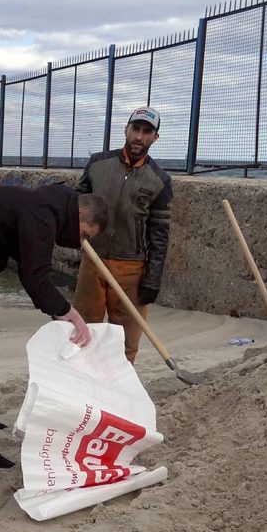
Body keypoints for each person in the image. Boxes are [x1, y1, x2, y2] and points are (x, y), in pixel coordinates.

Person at [0, 184, 108, 469]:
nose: (80, 242)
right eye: (85, 233)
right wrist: (68, 313)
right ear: (81, 211)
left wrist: (59, 314)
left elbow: (31, 267)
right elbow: (34, 276)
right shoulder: (42, 213)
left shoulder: (47, 206)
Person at [72, 105, 173, 363]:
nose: (139, 136)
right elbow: (73, 207)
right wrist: (76, 241)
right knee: (83, 332)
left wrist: (153, 279)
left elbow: (159, 235)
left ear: (155, 138)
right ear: (126, 130)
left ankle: (118, 395)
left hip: (131, 268)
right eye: (135, 129)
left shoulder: (159, 180)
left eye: (146, 132)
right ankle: (83, 388)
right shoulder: (97, 164)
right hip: (92, 261)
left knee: (125, 343)